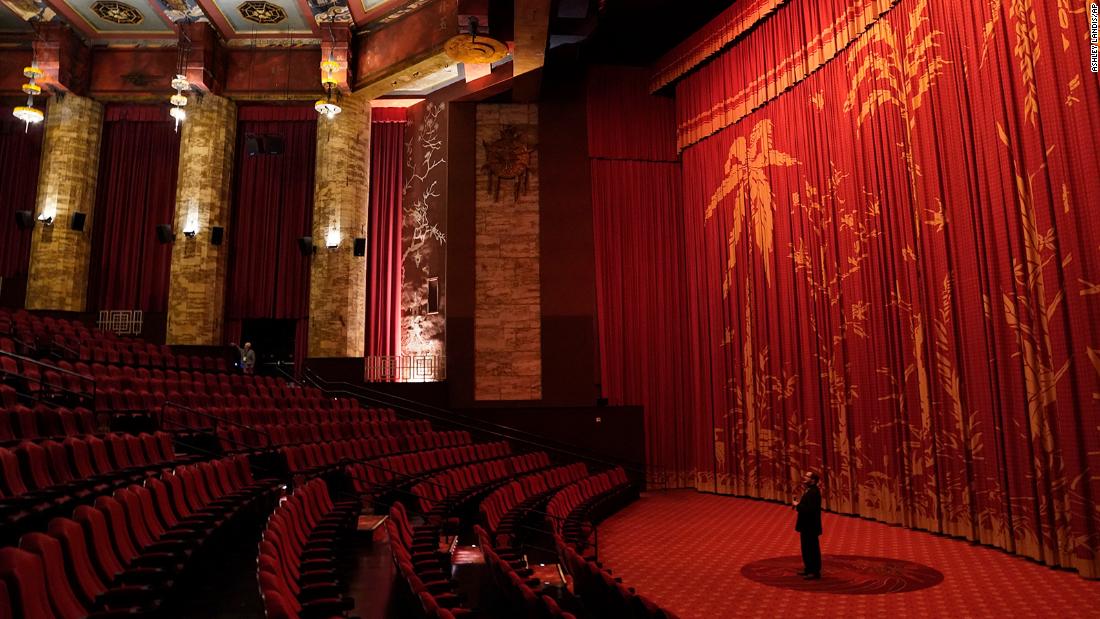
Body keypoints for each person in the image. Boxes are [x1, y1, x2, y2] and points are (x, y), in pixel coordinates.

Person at [793, 470, 823, 579]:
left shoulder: (814, 492)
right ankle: (808, 569)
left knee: (812, 549)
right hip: (806, 525)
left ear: (813, 480)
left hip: (811, 526)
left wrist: (797, 505)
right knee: (806, 548)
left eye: (807, 476)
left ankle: (814, 572)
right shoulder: (809, 490)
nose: (804, 477)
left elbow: (810, 509)